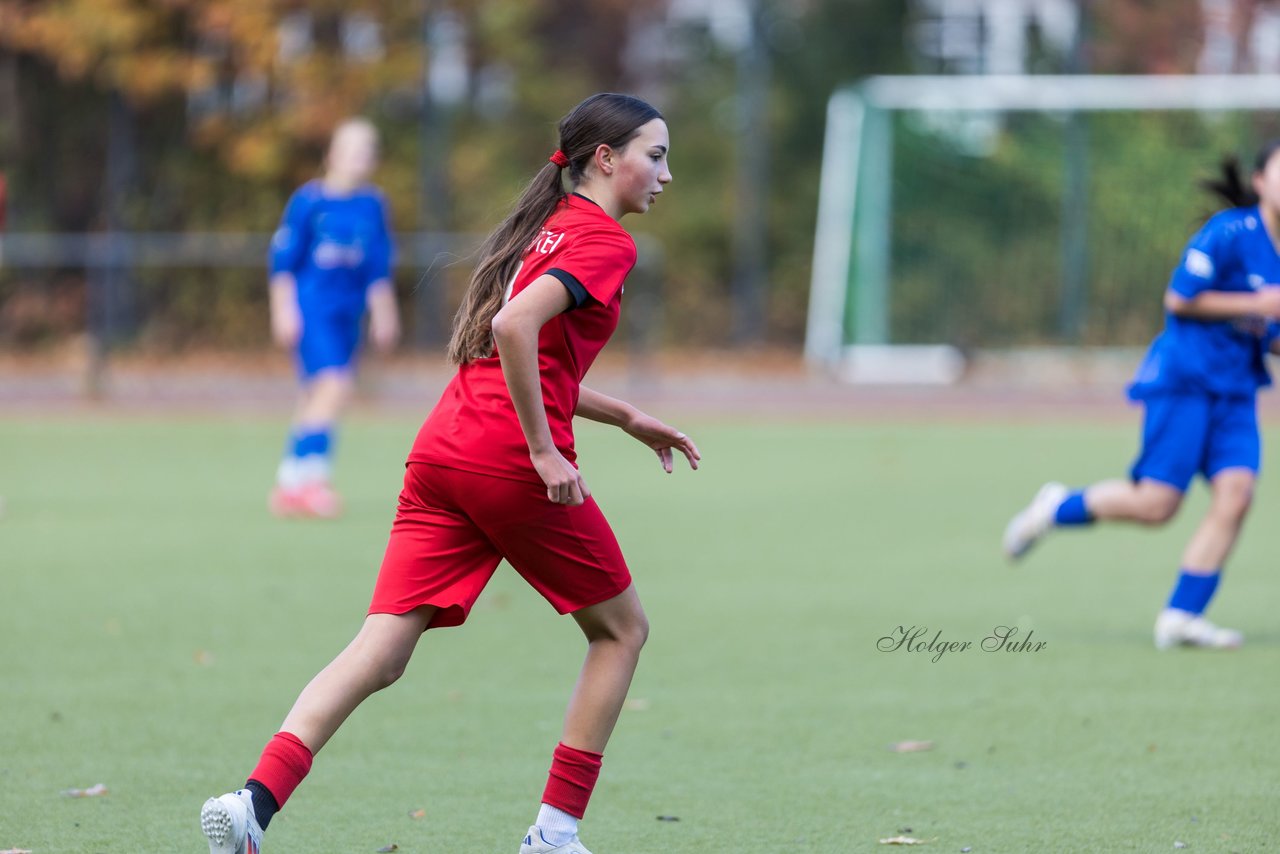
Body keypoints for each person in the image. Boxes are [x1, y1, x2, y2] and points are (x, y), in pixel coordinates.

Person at [201, 93, 697, 854]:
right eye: (654, 156)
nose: (665, 173)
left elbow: (526, 356)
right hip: (506, 463)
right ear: (605, 159)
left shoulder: (547, 226)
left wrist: (626, 416)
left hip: (443, 450)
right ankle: (554, 834)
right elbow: (512, 327)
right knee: (622, 631)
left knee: (380, 649)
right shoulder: (603, 240)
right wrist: (543, 450)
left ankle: (251, 805)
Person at [1002, 139, 1280, 650]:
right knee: (1156, 506)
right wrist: (1256, 302)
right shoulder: (1228, 232)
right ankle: (1057, 507)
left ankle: (1182, 616)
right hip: (1186, 380)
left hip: (1238, 389)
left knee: (1238, 496)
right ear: (1260, 181)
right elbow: (1180, 299)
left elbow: (1271, 332)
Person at [267, 117, 401, 518]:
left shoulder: (373, 204)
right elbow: (283, 263)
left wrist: (384, 312)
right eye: (353, 149)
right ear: (332, 155)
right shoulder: (309, 202)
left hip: (348, 313)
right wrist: (282, 310)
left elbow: (377, 268)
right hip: (312, 310)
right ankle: (311, 480)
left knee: (316, 396)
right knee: (334, 386)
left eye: (368, 151)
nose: (361, 158)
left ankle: (290, 484)